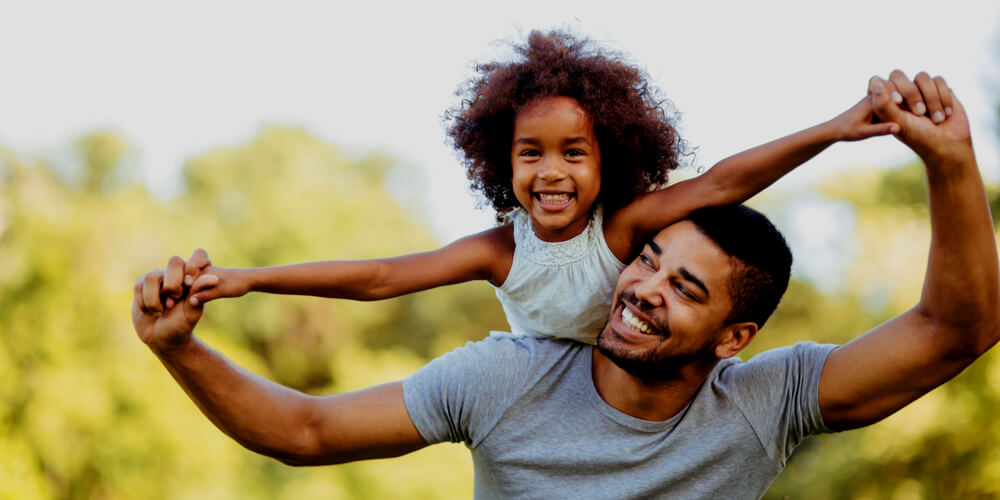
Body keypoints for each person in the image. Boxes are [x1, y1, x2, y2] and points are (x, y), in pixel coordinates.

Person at [133, 72, 997, 499]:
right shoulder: (506, 376)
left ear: (736, 338)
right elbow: (306, 428)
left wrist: (951, 164)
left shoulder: (765, 402)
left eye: (687, 289)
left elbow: (954, 332)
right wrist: (183, 347)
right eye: (648, 260)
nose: (645, 285)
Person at [168, 31, 900, 344]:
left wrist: (832, 129)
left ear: (608, 159)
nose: (551, 172)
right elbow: (383, 276)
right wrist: (250, 279)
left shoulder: (621, 231)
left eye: (574, 153)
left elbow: (724, 181)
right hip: (540, 399)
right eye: (530, 154)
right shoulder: (499, 251)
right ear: (502, 161)